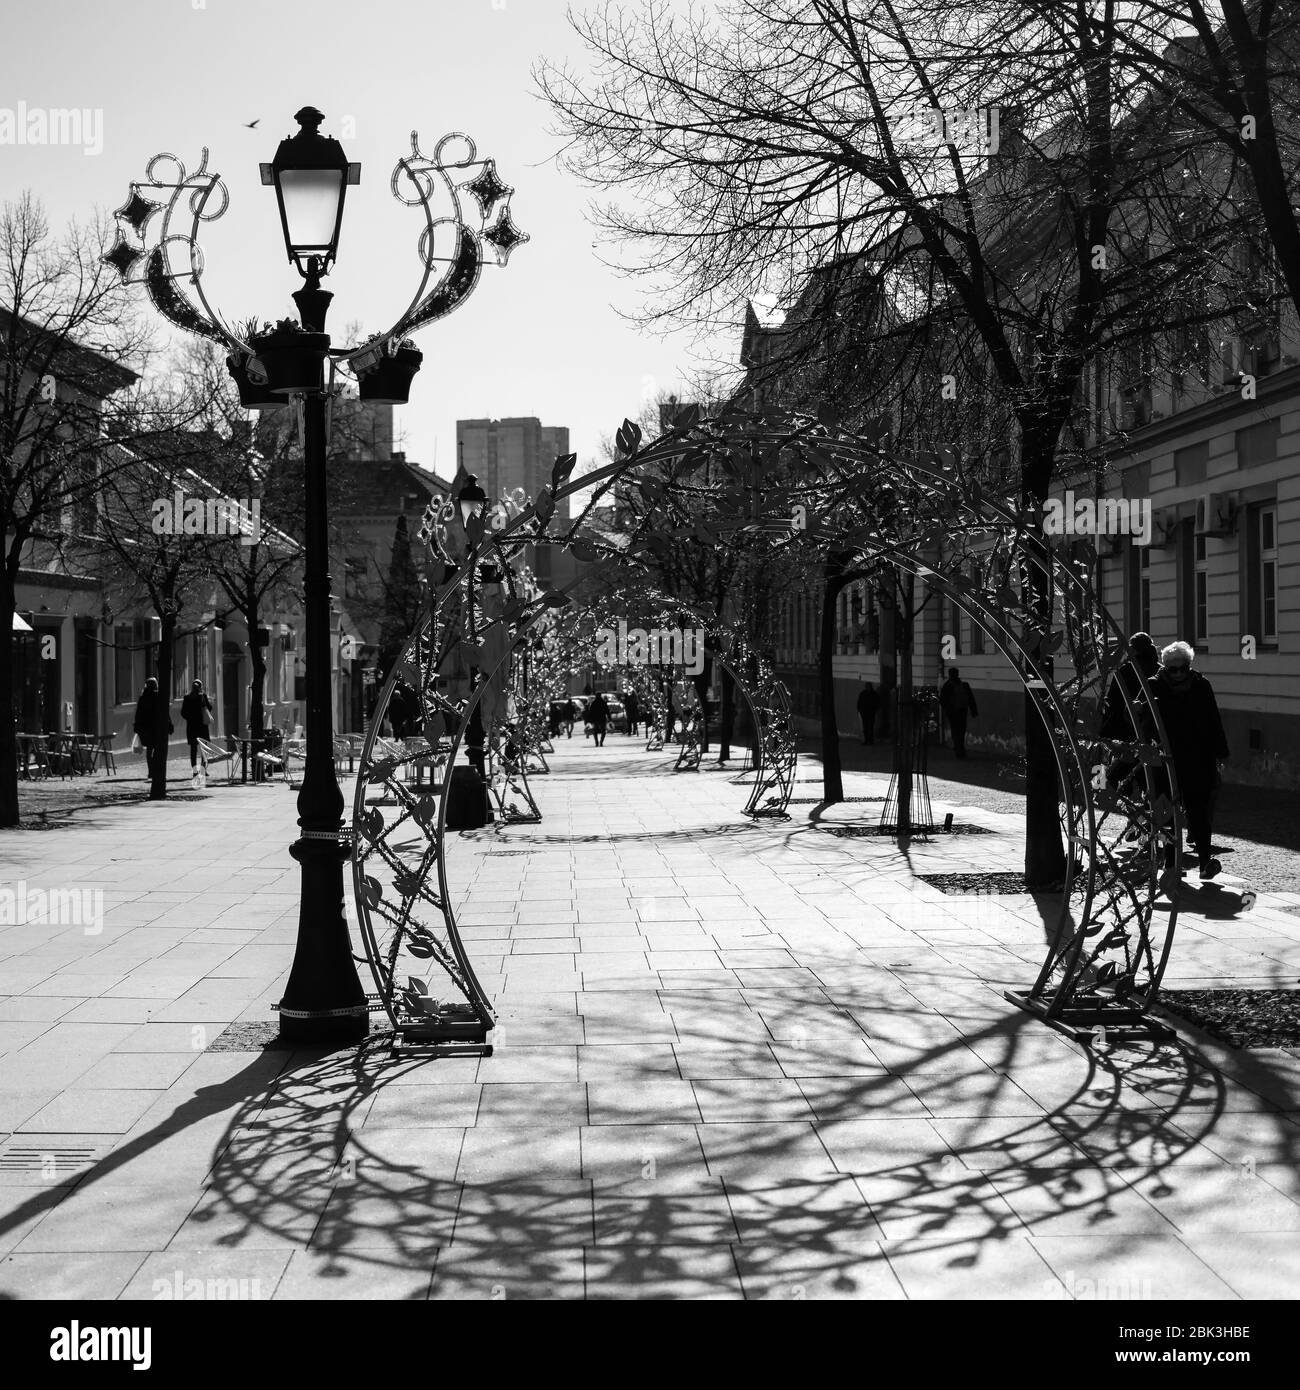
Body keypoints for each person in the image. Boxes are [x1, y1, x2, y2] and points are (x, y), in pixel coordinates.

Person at [1150, 640, 1229, 880]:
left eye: (1183, 667)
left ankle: (1205, 861)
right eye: (1173, 668)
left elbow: (1214, 718)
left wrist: (1221, 752)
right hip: (1167, 759)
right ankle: (1171, 862)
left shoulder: (1201, 684)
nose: (1179, 673)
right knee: (1167, 812)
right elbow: (1146, 722)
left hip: (1198, 757)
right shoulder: (1154, 686)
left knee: (1199, 811)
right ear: (1165, 667)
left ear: (1189, 665)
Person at [133, 677, 173, 785]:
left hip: (146, 728)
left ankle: (151, 770)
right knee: (157, 748)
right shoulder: (158, 696)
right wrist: (169, 724)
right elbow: (165, 712)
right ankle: (156, 770)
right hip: (157, 727)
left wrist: (137, 725)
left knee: (149, 749)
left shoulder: (143, 697)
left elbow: (139, 713)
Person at [939, 667, 978, 757]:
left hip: (952, 712)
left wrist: (947, 710)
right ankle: (961, 748)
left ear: (949, 674)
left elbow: (942, 700)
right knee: (961, 730)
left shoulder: (947, 685)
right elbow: (971, 699)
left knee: (955, 730)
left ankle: (958, 748)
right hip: (962, 711)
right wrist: (974, 711)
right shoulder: (964, 685)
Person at [180, 679, 214, 776]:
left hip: (191, 727)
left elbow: (183, 713)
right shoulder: (202, 696)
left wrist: (190, 718)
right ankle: (203, 769)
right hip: (202, 726)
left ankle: (195, 771)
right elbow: (209, 708)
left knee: (193, 749)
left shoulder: (187, 698)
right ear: (200, 687)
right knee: (204, 749)